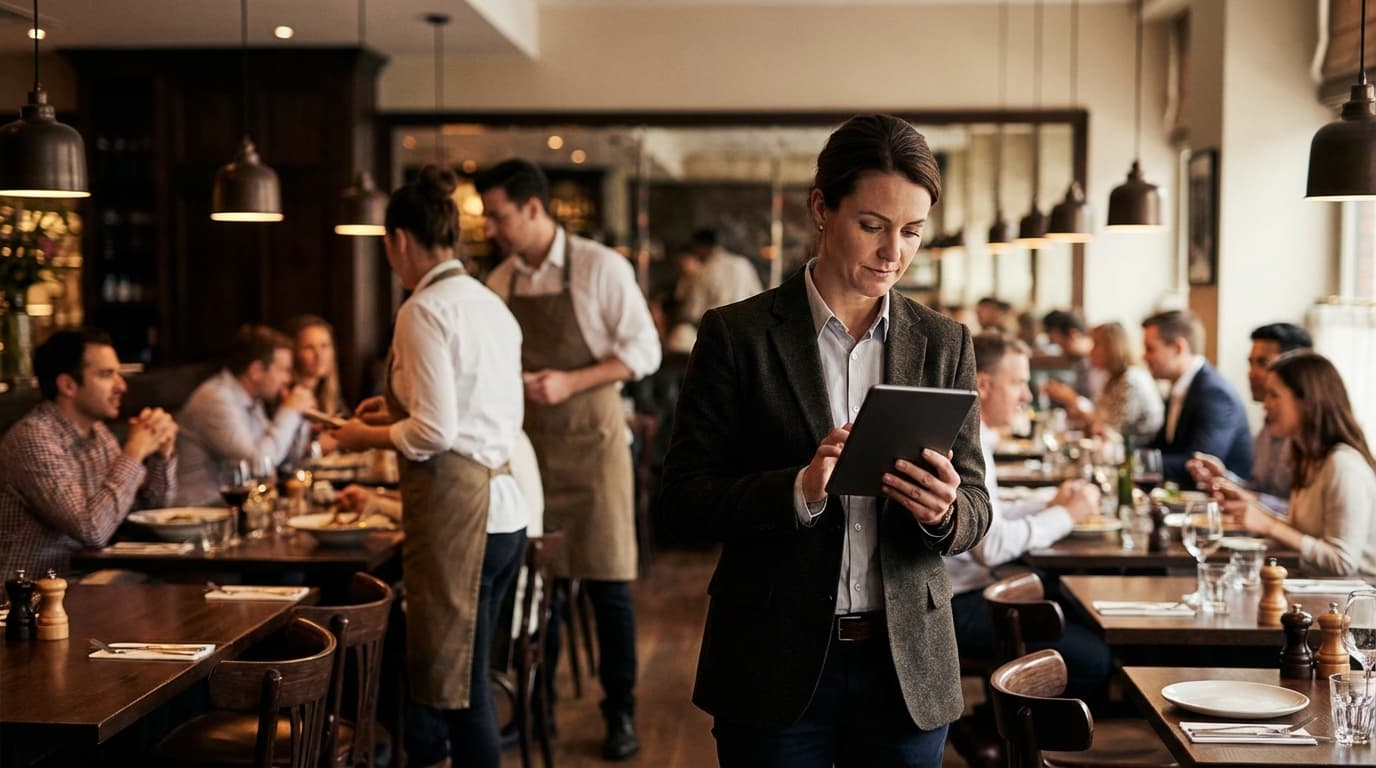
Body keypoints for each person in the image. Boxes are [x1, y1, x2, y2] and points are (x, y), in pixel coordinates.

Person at [660, 114, 992, 767]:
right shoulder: (738, 335)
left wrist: (945, 512)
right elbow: (683, 500)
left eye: (912, 232)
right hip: (770, 658)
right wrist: (799, 489)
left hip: (907, 669)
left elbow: (977, 505)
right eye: (872, 225)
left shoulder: (944, 343)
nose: (893, 252)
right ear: (821, 206)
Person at [330, 165, 528, 768]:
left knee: (459, 690)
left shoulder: (423, 309)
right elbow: (469, 407)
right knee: (464, 679)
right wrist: (393, 405)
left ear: (397, 241)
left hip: (459, 517)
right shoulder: (488, 302)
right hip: (505, 511)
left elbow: (435, 433)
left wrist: (360, 433)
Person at [477, 158, 661, 761]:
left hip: (594, 447)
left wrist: (570, 382)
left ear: (533, 208)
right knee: (538, 586)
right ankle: (538, 709)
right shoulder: (499, 281)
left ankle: (621, 715)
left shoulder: (600, 267)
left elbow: (645, 352)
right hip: (528, 455)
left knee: (608, 586)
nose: (493, 229)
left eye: (499, 216)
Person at [948, 334, 1109, 692]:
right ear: (984, 385)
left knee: (1072, 600)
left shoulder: (975, 435)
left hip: (977, 589)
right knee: (1098, 659)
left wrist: (1052, 505)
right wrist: (1066, 516)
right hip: (957, 605)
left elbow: (994, 515)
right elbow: (989, 546)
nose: (1028, 396)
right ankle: (1003, 731)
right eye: (1019, 383)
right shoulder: (964, 441)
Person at [0, 329, 177, 577]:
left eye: (119, 373)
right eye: (107, 375)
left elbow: (146, 513)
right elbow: (91, 529)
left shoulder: (98, 433)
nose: (121, 385)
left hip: (88, 582)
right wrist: (134, 452)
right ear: (68, 385)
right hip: (32, 598)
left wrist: (161, 455)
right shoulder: (32, 439)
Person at [1213, 353, 1376, 578]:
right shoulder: (1306, 456)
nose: (1265, 404)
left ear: (1306, 402)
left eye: (1274, 395)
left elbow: (1342, 561)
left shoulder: (1343, 465)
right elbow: (1305, 532)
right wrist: (1255, 512)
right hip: (1316, 591)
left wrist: (1269, 525)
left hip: (1352, 602)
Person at [174, 324, 316, 505]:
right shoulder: (215, 399)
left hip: (229, 510)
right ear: (256, 371)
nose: (287, 379)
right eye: (283, 370)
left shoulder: (252, 400)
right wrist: (289, 412)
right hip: (196, 516)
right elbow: (259, 465)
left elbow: (286, 460)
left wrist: (301, 418)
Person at [1187, 322, 1312, 513]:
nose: (1252, 373)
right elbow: (1258, 488)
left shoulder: (1313, 438)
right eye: (1251, 363)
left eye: (1263, 363)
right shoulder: (1268, 426)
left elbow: (1304, 517)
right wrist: (1224, 479)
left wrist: (1250, 498)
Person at [1140, 309, 1252, 486]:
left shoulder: (1215, 393)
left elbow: (1197, 464)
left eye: (1150, 349)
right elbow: (1161, 447)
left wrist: (1133, 462)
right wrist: (1121, 450)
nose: (1144, 356)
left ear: (1178, 348)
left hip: (1222, 503)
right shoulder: (1181, 387)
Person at [1045, 322, 1163, 445]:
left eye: (1096, 344)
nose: (1091, 351)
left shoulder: (1131, 379)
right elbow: (1101, 421)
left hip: (1139, 451)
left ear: (1112, 347)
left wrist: (1072, 399)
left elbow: (1113, 429)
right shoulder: (1114, 379)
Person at [675, 228, 764, 325]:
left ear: (700, 246)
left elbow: (694, 311)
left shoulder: (704, 271)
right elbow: (758, 296)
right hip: (745, 324)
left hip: (717, 327)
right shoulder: (742, 263)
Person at [285, 314, 342, 455]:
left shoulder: (329, 395)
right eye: (308, 347)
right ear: (294, 353)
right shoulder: (285, 396)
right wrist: (317, 446)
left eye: (325, 346)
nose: (319, 354)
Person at [1041, 309, 1096, 399]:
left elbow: (1093, 402)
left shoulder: (1096, 362)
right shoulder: (1079, 359)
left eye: (1062, 345)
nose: (1061, 352)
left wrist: (1069, 396)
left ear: (1073, 335)